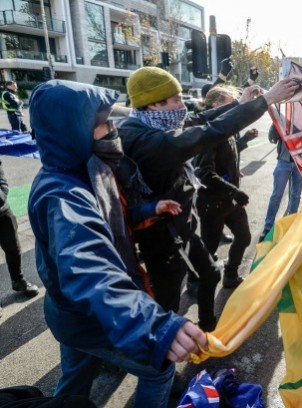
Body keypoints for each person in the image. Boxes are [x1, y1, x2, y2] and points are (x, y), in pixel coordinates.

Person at [27, 79, 208, 407]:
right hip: (88, 315)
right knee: (159, 370)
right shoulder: (64, 193)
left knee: (76, 378)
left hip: (74, 314)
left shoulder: (84, 169)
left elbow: (111, 222)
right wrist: (153, 324)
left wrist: (150, 208)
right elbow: (86, 264)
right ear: (74, 130)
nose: (114, 130)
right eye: (104, 124)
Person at [118, 67, 299, 330]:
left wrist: (240, 103)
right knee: (166, 306)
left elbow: (199, 119)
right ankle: (160, 364)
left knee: (211, 273)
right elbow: (209, 131)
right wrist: (265, 101)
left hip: (181, 227)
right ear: (153, 105)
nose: (183, 105)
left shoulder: (155, 122)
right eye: (176, 100)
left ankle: (206, 326)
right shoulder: (150, 141)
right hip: (161, 238)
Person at [193, 85, 257, 288]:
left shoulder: (226, 128)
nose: (236, 107)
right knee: (208, 248)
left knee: (244, 236)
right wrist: (234, 190)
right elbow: (203, 172)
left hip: (228, 200)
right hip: (212, 203)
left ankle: (230, 273)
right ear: (216, 105)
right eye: (232, 102)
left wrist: (245, 140)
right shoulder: (209, 133)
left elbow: (228, 153)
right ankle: (195, 280)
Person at [0, 157, 38, 319]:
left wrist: (2, 192)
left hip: (1, 209)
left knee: (13, 248)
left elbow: (1, 175)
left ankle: (18, 280)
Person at [258, 124, 302, 242]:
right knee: (276, 196)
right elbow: (272, 138)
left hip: (300, 162)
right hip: (284, 162)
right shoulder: (283, 118)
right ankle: (268, 227)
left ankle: (291, 223)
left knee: (296, 196)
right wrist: (276, 125)